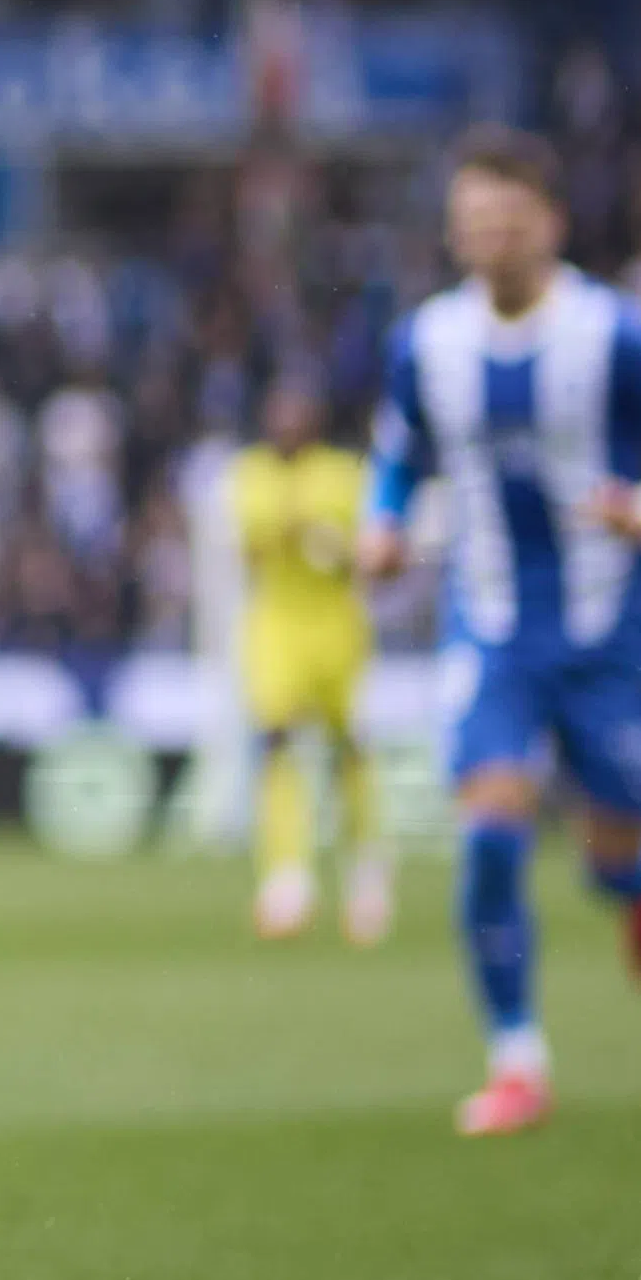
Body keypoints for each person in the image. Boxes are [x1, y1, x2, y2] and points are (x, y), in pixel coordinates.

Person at [357, 127, 641, 1137]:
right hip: (487, 628)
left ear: (550, 225)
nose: (488, 237)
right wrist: (382, 526)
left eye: (507, 220)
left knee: (621, 857)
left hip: (610, 629)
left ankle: (625, 883)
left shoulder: (614, 335)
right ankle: (515, 1058)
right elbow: (398, 456)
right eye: (471, 221)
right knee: (487, 834)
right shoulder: (422, 344)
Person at [226, 372, 388, 943]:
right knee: (276, 742)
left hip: (336, 622)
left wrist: (334, 546)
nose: (285, 423)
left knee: (349, 749)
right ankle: (286, 880)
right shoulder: (250, 473)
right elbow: (248, 548)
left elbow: (364, 556)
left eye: (296, 411)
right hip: (276, 622)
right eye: (278, 411)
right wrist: (299, 532)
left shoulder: (344, 476)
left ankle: (367, 873)